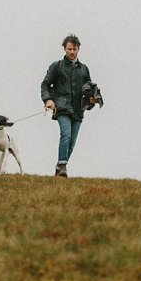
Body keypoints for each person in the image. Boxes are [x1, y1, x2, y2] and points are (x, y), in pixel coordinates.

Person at [40, 33, 94, 177]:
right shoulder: (57, 66)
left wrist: (92, 100)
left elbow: (90, 89)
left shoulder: (84, 69)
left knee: (72, 142)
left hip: (78, 110)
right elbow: (45, 85)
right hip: (62, 107)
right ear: (64, 48)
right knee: (66, 135)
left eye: (74, 49)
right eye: (69, 49)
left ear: (78, 49)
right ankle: (63, 165)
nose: (72, 52)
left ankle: (59, 168)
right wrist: (48, 100)